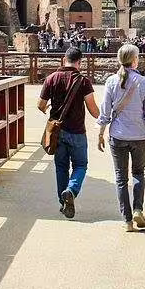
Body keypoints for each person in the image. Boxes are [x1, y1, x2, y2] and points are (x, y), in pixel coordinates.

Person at [97, 44, 145, 231]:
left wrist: (100, 133)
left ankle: (127, 221)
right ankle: (138, 209)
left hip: (118, 135)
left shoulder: (110, 82)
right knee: (138, 173)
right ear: (134, 60)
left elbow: (105, 113)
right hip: (140, 136)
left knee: (121, 178)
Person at [38, 47, 100, 219]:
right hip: (77, 131)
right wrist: (103, 119)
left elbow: (40, 104)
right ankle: (71, 191)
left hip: (58, 132)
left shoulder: (51, 78)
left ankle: (62, 202)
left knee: (61, 167)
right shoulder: (83, 81)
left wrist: (49, 109)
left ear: (64, 59)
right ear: (80, 62)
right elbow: (92, 108)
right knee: (80, 165)